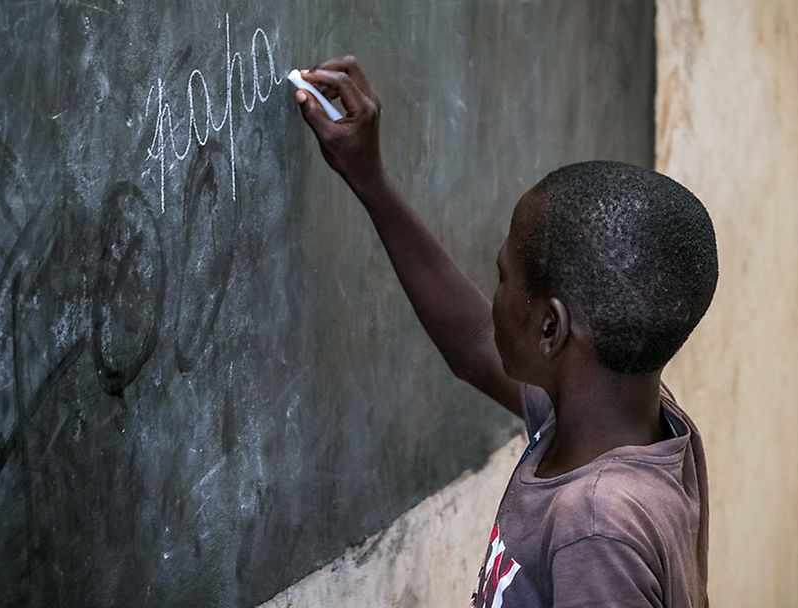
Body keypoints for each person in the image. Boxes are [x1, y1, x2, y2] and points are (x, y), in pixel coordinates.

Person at [292, 56, 716, 608]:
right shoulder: (618, 413)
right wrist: (369, 179)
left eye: (502, 278)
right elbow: (472, 343)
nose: (492, 298)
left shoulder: (596, 527)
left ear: (550, 328)